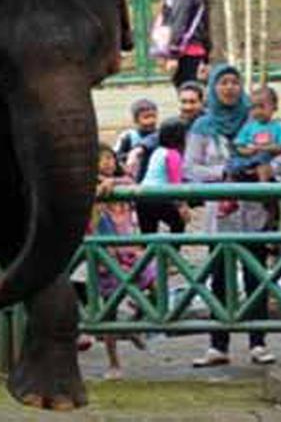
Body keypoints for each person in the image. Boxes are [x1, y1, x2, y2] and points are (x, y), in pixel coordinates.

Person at [184, 65, 275, 367]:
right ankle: (218, 344)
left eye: (235, 82)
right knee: (220, 279)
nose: (229, 87)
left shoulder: (255, 120)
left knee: (255, 276)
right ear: (213, 87)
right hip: (219, 214)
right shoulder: (202, 126)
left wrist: (257, 166)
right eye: (223, 82)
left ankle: (258, 342)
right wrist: (222, 171)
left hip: (253, 210)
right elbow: (190, 167)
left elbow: (275, 152)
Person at [93, 147, 151, 380]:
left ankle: (132, 325)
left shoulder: (123, 182)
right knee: (110, 310)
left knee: (154, 286)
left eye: (110, 158)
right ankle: (113, 362)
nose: (107, 163)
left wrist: (112, 183)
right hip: (106, 254)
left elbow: (130, 182)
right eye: (101, 159)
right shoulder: (88, 186)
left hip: (130, 250)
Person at [158, 0, 212, 87]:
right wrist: (206, 56)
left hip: (185, 54)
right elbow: (206, 27)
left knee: (188, 92)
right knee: (196, 92)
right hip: (197, 52)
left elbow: (179, 24)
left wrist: (173, 55)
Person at [136, 118, 190, 233]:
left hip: (143, 196)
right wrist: (182, 206)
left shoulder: (158, 151)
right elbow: (176, 184)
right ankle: (174, 245)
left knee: (148, 235)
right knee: (179, 222)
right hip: (157, 196)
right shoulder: (173, 154)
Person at [229, 86, 281, 184]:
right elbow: (239, 146)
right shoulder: (248, 127)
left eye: (262, 107)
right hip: (249, 158)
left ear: (274, 107)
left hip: (267, 160)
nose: (258, 111)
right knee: (232, 164)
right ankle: (230, 189)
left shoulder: (277, 127)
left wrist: (264, 148)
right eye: (254, 107)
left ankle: (263, 186)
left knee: (263, 163)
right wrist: (248, 151)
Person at [115, 99, 159, 170]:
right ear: (135, 120)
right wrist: (131, 156)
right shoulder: (128, 137)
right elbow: (116, 156)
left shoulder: (161, 135)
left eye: (153, 116)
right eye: (146, 117)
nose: (151, 121)